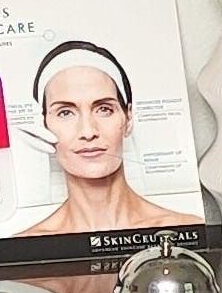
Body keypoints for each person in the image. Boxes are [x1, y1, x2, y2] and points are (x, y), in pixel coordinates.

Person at [20, 40, 192, 238]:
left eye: (104, 109)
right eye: (65, 112)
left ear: (128, 119)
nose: (88, 131)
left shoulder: (185, 230)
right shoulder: (23, 247)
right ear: (44, 126)